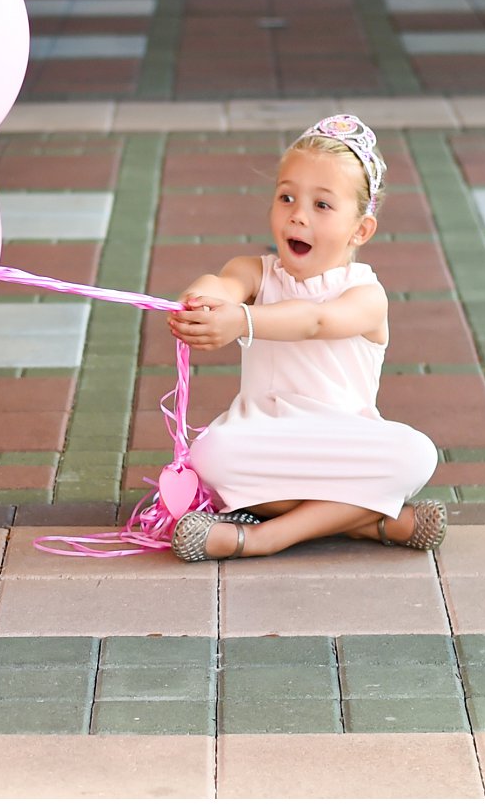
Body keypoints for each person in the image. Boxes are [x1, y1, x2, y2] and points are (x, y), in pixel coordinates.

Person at [164, 114, 443, 561]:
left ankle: (263, 537)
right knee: (211, 455)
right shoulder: (254, 270)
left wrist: (243, 321)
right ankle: (368, 522)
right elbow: (223, 284)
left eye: (322, 205)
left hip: (342, 440)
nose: (298, 215)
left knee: (417, 454)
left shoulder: (366, 295)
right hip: (267, 435)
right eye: (287, 197)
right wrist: (202, 299)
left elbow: (314, 320)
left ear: (360, 230)